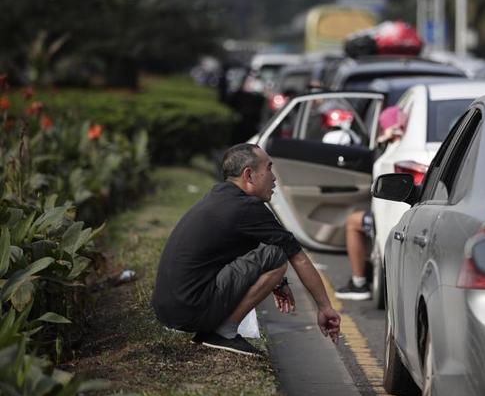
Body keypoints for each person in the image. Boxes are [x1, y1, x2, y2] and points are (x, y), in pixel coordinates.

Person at [152, 144, 341, 356]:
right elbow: (298, 257)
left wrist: (279, 282)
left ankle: (218, 329)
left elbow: (239, 248)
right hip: (189, 309)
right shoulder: (246, 208)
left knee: (271, 253)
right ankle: (224, 333)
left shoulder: (220, 195)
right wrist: (325, 307)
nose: (274, 178)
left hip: (169, 308)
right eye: (269, 169)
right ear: (249, 175)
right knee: (277, 256)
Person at [335, 106, 406, 300]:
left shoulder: (394, 149)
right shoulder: (403, 144)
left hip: (393, 218)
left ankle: (359, 283)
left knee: (353, 221)